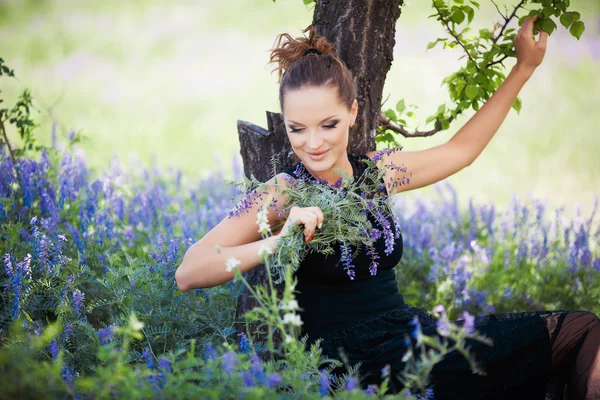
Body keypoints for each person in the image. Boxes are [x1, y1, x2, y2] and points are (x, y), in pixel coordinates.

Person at [175, 20, 600, 399]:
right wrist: (279, 242)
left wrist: (523, 68)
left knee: (580, 330)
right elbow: (190, 271)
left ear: (353, 113)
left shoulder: (377, 173)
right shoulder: (285, 191)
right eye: (296, 129)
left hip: (408, 336)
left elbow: (462, 150)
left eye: (328, 124)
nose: (313, 143)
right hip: (352, 364)